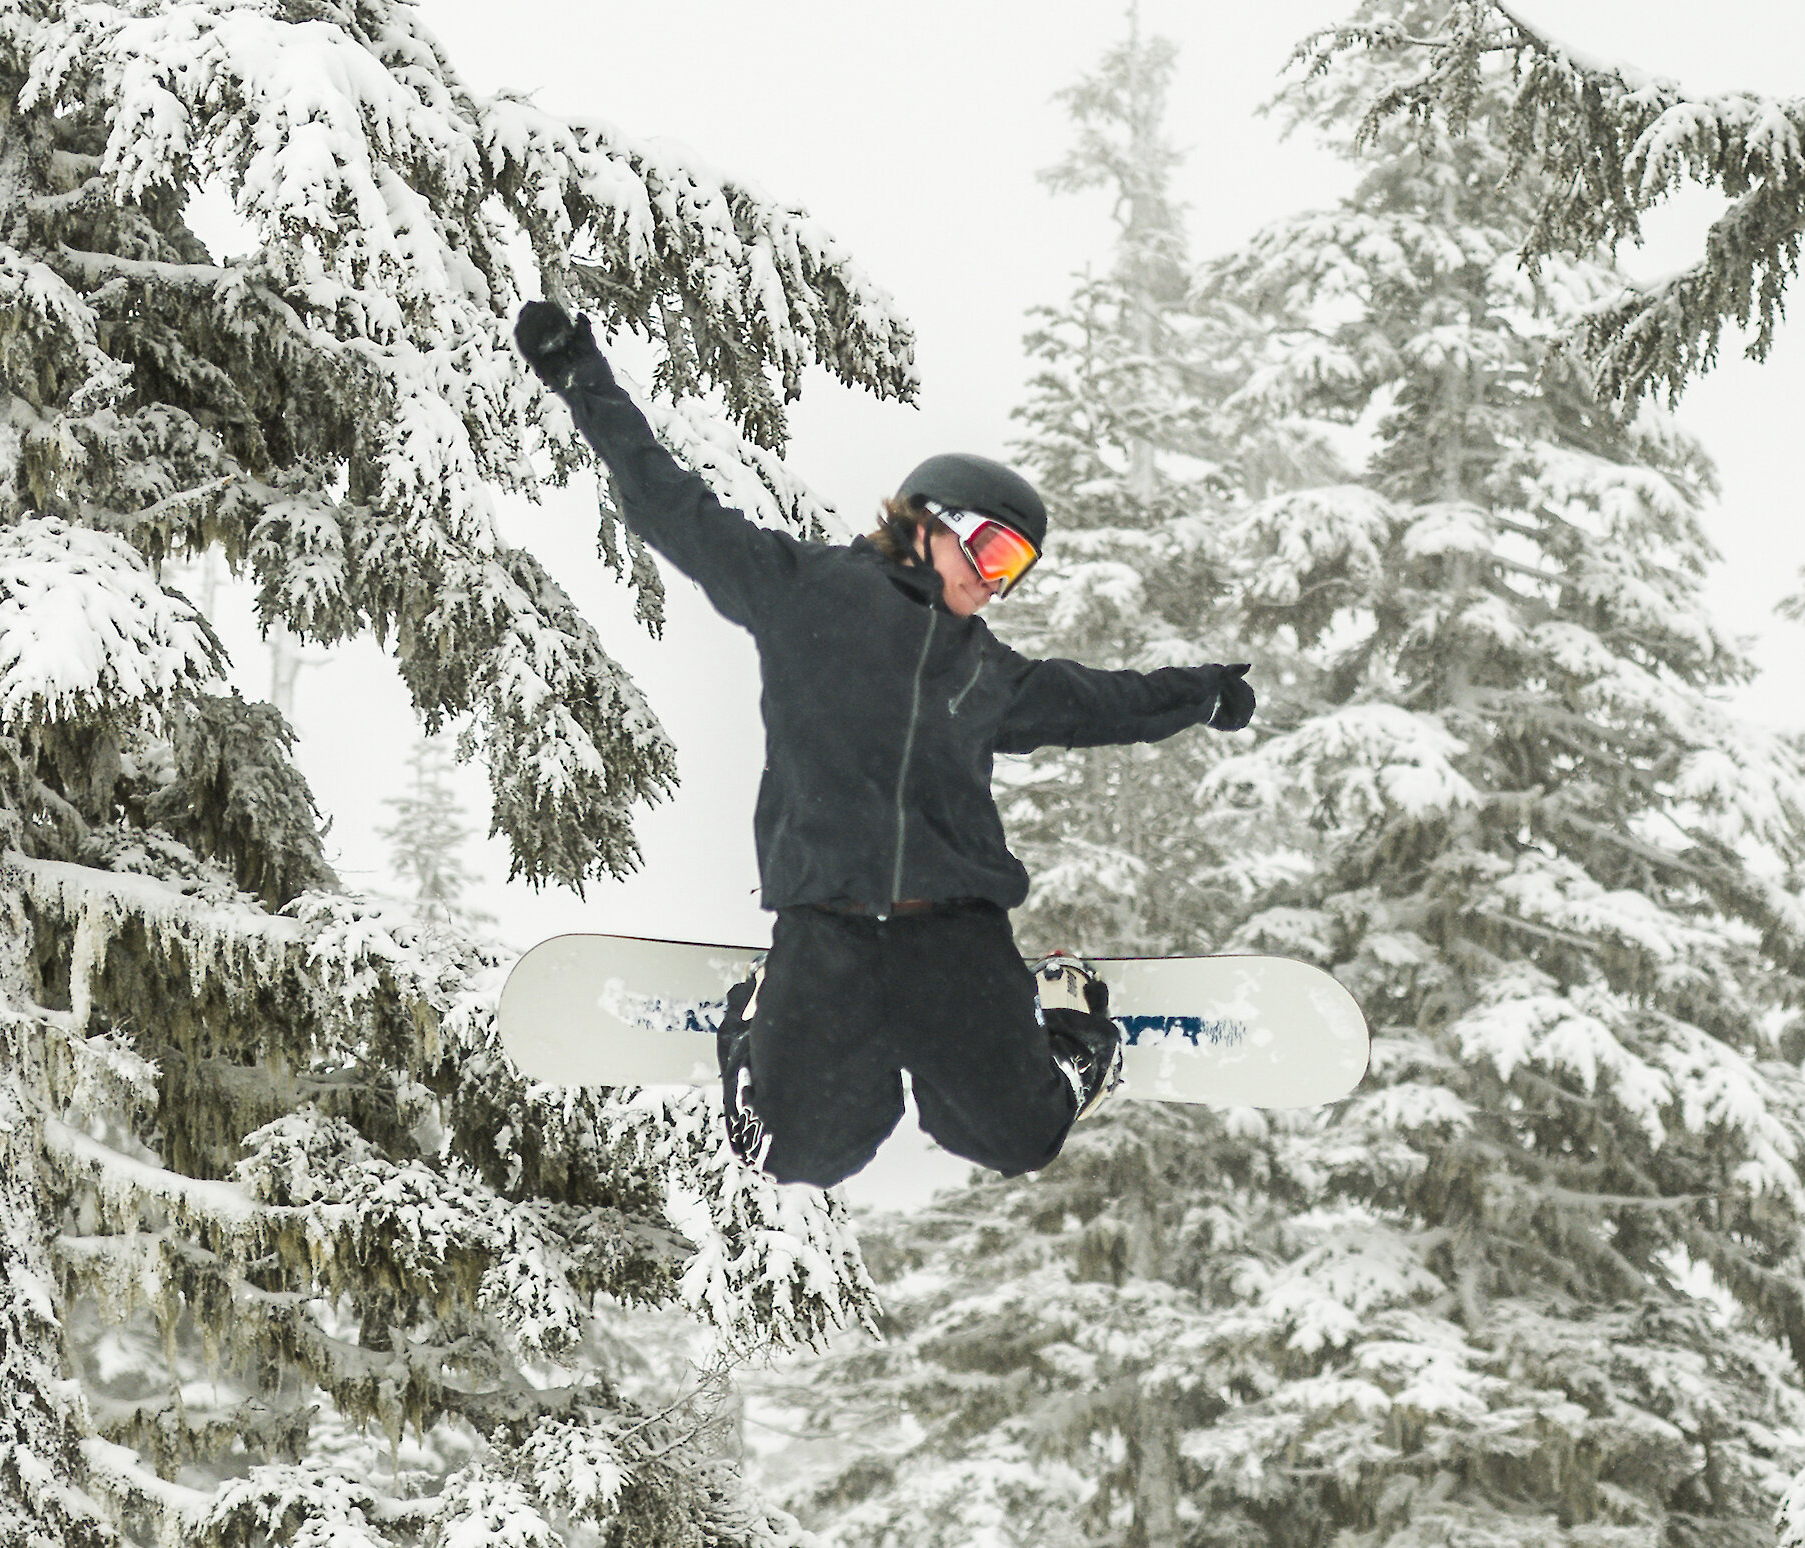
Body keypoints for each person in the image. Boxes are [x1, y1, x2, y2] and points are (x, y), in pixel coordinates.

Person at [511, 300, 1255, 1188]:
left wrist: (1204, 694)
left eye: (1014, 569)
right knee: (792, 1154)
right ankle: (753, 1025)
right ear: (923, 521)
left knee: (1019, 1138)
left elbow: (1099, 702)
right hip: (827, 931)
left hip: (953, 938)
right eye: (988, 547)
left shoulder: (985, 672)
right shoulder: (801, 593)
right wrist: (580, 375)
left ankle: (1066, 1031)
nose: (994, 580)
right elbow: (670, 505)